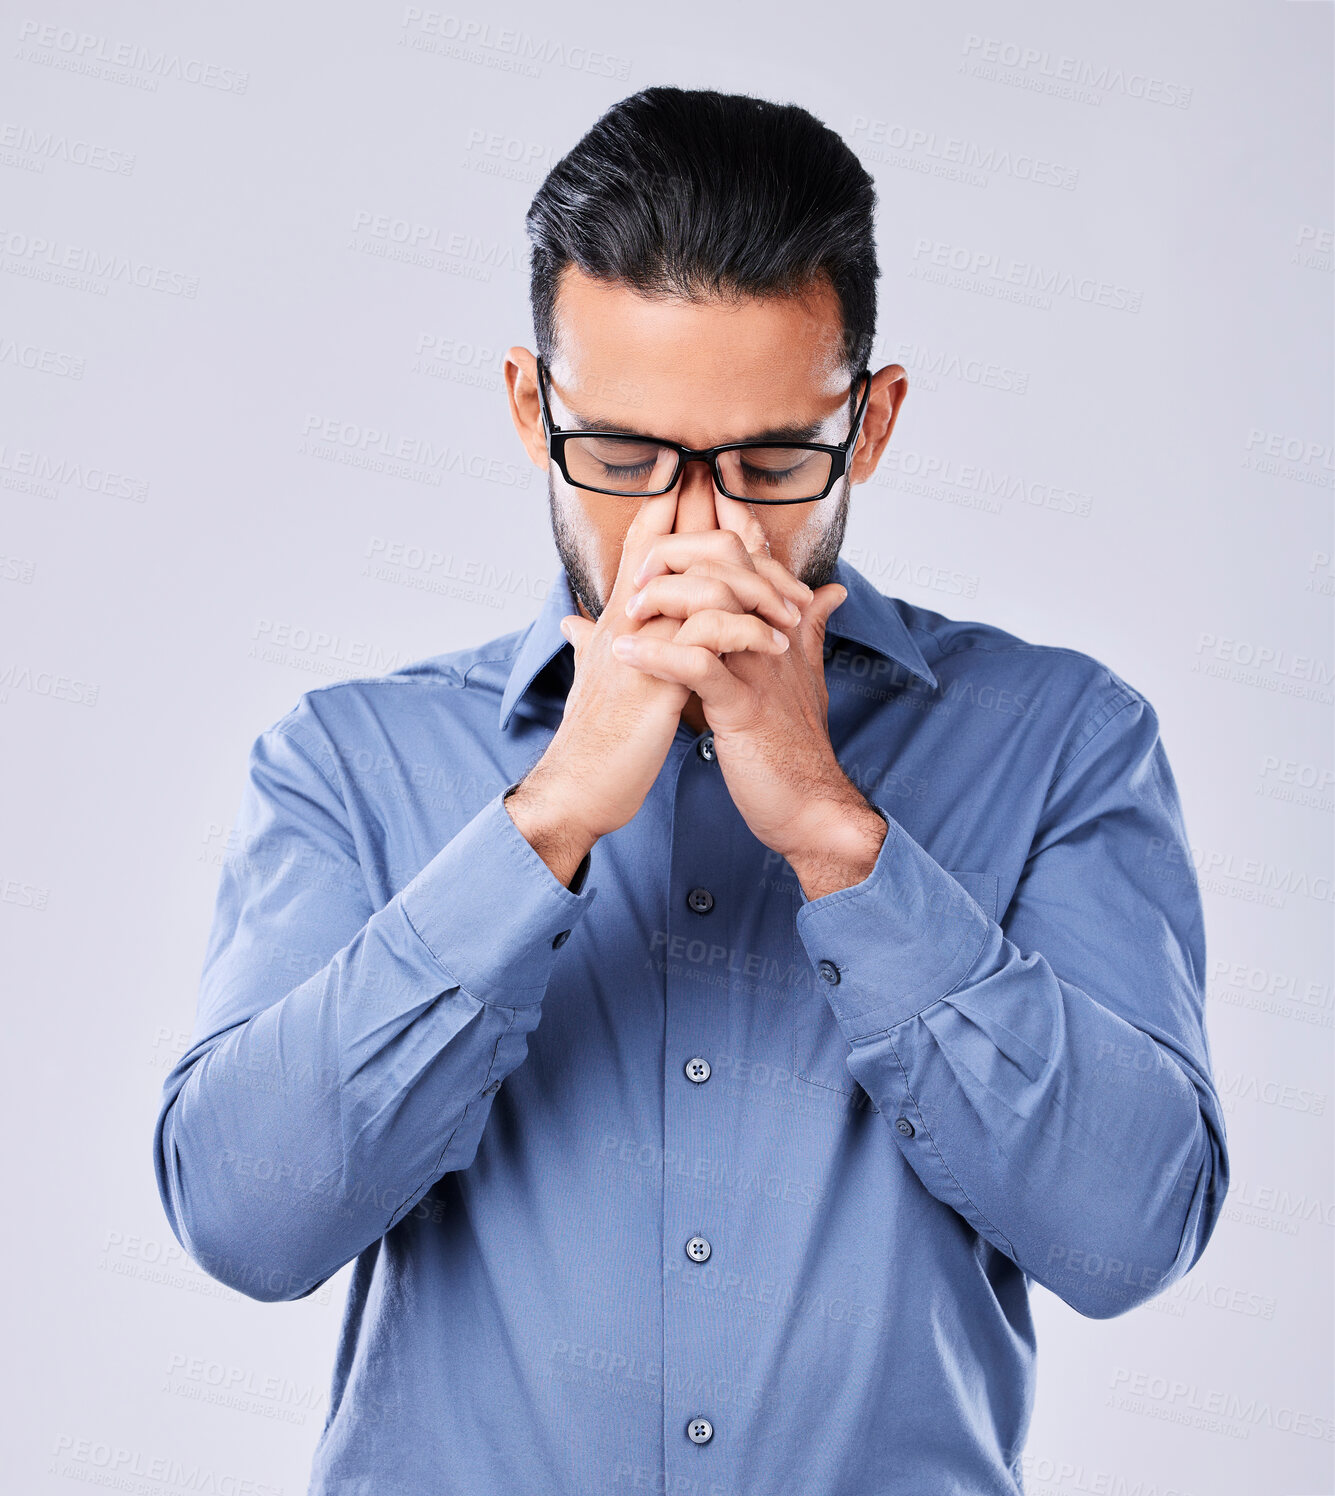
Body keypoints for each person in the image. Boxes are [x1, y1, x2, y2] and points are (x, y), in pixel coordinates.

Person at [153, 85, 1229, 1495]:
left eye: (774, 460)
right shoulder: (347, 763)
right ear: (533, 408)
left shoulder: (1064, 740)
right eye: (624, 457)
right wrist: (547, 820)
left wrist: (841, 836)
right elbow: (245, 1223)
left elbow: (1128, 1239)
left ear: (875, 422)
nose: (696, 527)